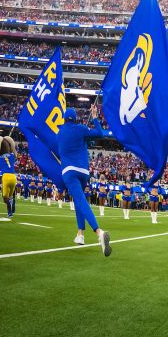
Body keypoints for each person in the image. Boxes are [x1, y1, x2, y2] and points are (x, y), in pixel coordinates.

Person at [56, 105, 112, 255]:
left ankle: (99, 232)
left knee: (80, 200)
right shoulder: (81, 129)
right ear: (75, 118)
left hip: (69, 171)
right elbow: (100, 133)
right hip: (83, 171)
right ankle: (80, 234)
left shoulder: (59, 133)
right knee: (78, 200)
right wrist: (94, 116)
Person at [0, 134, 19, 218]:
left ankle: (9, 211)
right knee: (10, 196)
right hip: (13, 177)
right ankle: (12, 202)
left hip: (6, 177)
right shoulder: (12, 156)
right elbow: (15, 155)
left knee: (4, 197)